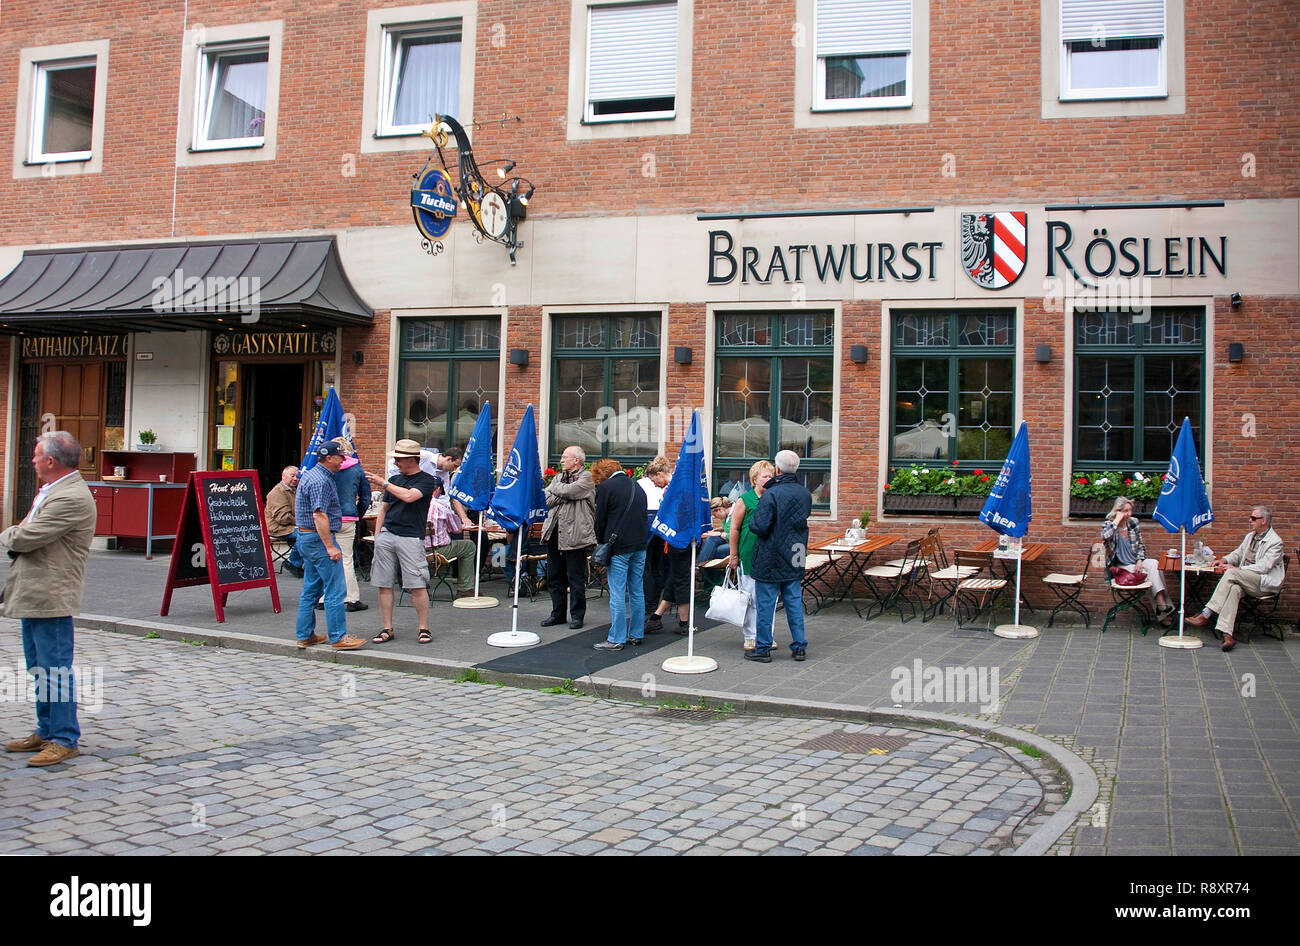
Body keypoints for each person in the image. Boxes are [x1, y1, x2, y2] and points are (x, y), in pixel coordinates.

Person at [0, 432, 97, 767]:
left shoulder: (70, 496)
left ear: (51, 461)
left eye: (36, 454)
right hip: (35, 592)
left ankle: (64, 738)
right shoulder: (53, 490)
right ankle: (46, 730)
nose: (32, 460)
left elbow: (27, 535)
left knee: (55, 669)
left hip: (52, 594)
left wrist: (6, 535)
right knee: (38, 667)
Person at [366, 439, 441, 644]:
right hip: (387, 535)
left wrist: (383, 483)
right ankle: (387, 628)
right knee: (383, 584)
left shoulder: (427, 480)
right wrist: (378, 534)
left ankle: (423, 627)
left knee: (417, 584)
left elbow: (409, 497)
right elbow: (384, 508)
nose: (396, 462)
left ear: (411, 459)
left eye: (399, 459)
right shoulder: (395, 479)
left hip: (410, 537)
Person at [294, 442, 367, 651]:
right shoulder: (321, 480)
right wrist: (330, 547)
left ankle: (305, 635)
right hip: (318, 540)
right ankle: (338, 637)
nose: (343, 460)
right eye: (340, 457)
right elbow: (319, 515)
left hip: (306, 538)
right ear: (328, 458)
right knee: (336, 589)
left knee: (310, 589)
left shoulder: (312, 474)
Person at [1187, 506, 1285, 651]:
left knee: (1231, 574)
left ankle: (1206, 613)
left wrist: (1238, 569)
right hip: (1247, 579)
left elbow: (1264, 567)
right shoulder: (1251, 536)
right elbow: (1238, 553)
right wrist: (1224, 560)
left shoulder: (1275, 542)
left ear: (1263, 521)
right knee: (1234, 589)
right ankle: (1227, 635)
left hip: (1264, 583)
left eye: (1253, 518)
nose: (1249, 520)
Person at [746, 450, 810, 663]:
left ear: (778, 470)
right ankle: (799, 646)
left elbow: (760, 526)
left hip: (771, 555)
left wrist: (754, 521)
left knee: (766, 603)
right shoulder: (804, 493)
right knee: (793, 600)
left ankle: (763, 648)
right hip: (797, 552)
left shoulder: (771, 494)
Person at [591, 458, 648, 651]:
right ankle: (636, 634)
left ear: (602, 475)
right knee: (637, 591)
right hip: (639, 546)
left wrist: (601, 542)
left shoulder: (606, 488)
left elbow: (599, 521)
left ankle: (616, 638)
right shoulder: (637, 486)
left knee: (616, 593)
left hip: (618, 548)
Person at [541, 445, 596, 629]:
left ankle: (577, 616)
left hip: (576, 535)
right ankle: (557, 614)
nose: (562, 460)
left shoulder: (587, 477)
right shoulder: (558, 478)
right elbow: (546, 501)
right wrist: (564, 490)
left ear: (576, 460)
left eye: (565, 457)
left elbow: (573, 492)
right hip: (554, 534)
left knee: (575, 578)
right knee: (555, 576)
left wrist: (559, 489)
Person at [1101, 496, 1174, 625]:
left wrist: (1140, 560)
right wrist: (1117, 521)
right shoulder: (1109, 524)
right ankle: (1163, 610)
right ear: (1118, 511)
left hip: (1135, 562)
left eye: (1130, 510)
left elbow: (1140, 545)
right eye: (1125, 511)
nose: (1128, 514)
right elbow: (1105, 536)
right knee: (1151, 575)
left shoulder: (1133, 522)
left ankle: (1161, 605)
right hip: (1121, 566)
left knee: (1154, 565)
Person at [728, 460, 775, 651]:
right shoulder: (745, 500)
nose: (769, 479)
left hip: (769, 554)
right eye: (765, 476)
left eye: (771, 476)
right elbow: (734, 528)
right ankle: (750, 635)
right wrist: (733, 555)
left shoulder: (773, 498)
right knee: (749, 596)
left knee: (768, 598)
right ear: (755, 479)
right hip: (749, 554)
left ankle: (766, 636)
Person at [329, 437, 369, 612]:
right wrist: (357, 513)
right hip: (348, 516)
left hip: (327, 517)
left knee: (326, 557)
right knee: (346, 559)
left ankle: (325, 598)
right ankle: (351, 598)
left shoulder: (327, 467)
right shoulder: (357, 468)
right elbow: (366, 497)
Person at [425, 480, 478, 598]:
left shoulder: (413, 504)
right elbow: (456, 529)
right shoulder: (441, 507)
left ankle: (417, 587)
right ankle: (465, 588)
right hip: (437, 551)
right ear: (437, 489)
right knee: (469, 546)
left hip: (415, 551)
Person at [638, 456, 672, 615]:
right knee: (658, 567)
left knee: (649, 567)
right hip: (664, 526)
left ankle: (650, 607)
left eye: (654, 481)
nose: (654, 485)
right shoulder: (670, 486)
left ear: (659, 474)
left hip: (654, 524)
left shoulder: (671, 486)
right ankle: (655, 605)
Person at [264, 465, 303, 577]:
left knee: (312, 532)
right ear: (283, 476)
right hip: (279, 528)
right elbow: (283, 518)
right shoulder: (277, 493)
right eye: (292, 476)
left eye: (297, 476)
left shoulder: (295, 490)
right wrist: (302, 522)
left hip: (291, 525)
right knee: (306, 533)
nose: (295, 478)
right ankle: (293, 562)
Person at [697, 496, 733, 563]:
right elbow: (728, 529)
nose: (716, 517)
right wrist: (718, 530)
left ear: (719, 510)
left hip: (737, 544)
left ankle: (700, 566)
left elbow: (735, 534)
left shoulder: (734, 515)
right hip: (728, 540)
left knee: (713, 552)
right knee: (711, 540)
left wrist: (720, 534)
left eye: (715, 515)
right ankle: (701, 566)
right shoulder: (726, 517)